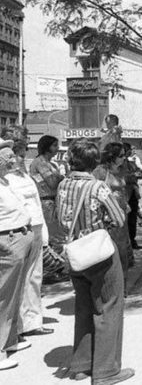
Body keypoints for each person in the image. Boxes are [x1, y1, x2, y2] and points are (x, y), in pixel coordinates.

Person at [57, 140, 134, 384]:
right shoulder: (98, 187)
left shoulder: (63, 185)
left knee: (83, 307)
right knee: (109, 306)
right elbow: (120, 218)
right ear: (94, 162)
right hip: (99, 252)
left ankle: (80, 365)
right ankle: (106, 370)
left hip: (76, 253)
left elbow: (58, 217)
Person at [1, 126, 52, 339]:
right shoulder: (7, 179)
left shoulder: (24, 176)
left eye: (22, 155)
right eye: (16, 155)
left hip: (35, 228)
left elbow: (35, 203)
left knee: (34, 276)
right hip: (19, 230)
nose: (20, 159)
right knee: (17, 281)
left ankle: (32, 320)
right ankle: (17, 327)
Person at [0, 147, 36, 372]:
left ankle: (10, 339)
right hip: (8, 240)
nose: (14, 159)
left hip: (19, 237)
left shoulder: (5, 181)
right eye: (8, 156)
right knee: (4, 296)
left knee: (14, 295)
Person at [29, 135, 67, 282]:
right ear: (47, 146)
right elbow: (52, 182)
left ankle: (55, 268)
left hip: (52, 202)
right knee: (53, 237)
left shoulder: (51, 164)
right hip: (46, 203)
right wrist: (61, 178)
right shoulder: (40, 163)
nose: (57, 149)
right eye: (55, 146)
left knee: (56, 236)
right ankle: (51, 271)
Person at [93, 143, 132, 273]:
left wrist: (126, 204)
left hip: (121, 213)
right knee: (112, 247)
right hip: (108, 215)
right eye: (121, 156)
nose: (124, 158)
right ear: (112, 156)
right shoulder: (101, 171)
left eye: (124, 155)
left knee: (122, 248)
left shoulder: (120, 170)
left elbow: (123, 190)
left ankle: (123, 282)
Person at [120, 143, 142, 250]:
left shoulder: (132, 163)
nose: (131, 151)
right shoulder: (119, 166)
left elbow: (141, 173)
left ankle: (132, 240)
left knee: (133, 219)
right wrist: (133, 176)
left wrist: (137, 174)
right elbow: (123, 178)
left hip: (133, 194)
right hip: (124, 195)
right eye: (129, 149)